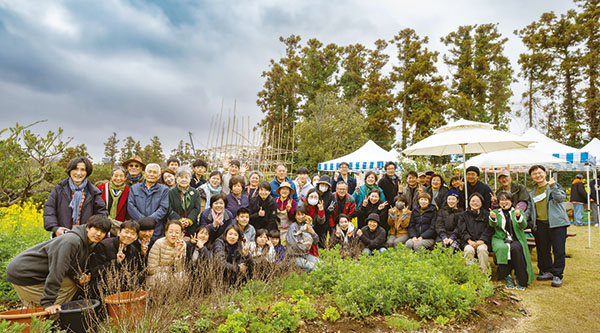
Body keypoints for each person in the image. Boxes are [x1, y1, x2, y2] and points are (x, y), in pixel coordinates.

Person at [6, 215, 111, 314]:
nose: (98, 234)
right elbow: (57, 270)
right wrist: (48, 302)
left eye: (103, 232)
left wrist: (78, 278)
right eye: (96, 229)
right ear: (88, 228)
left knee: (71, 284)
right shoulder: (71, 241)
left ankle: (43, 307)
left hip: (39, 273)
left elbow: (70, 266)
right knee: (47, 309)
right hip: (23, 272)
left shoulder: (89, 244)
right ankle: (42, 312)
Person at [527, 165, 570, 287]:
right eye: (534, 174)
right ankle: (547, 271)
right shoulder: (532, 192)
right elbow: (530, 209)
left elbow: (561, 198)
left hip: (557, 224)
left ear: (545, 173)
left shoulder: (554, 186)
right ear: (531, 177)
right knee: (542, 249)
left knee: (558, 250)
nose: (538, 175)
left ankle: (557, 275)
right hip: (540, 224)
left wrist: (553, 187)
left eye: (540, 173)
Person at [44, 157, 107, 237]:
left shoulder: (93, 192)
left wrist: (92, 230)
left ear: (87, 172)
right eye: (75, 169)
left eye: (82, 170)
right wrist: (55, 228)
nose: (78, 173)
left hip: (84, 237)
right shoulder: (59, 189)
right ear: (70, 170)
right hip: (62, 236)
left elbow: (101, 214)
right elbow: (49, 208)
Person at [489, 191, 534, 290]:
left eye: (506, 200)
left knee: (516, 249)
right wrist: (493, 218)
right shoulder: (496, 212)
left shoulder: (517, 211)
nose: (504, 202)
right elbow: (493, 225)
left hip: (516, 238)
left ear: (511, 201)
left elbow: (523, 225)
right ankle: (507, 276)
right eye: (501, 200)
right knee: (502, 248)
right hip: (499, 238)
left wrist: (518, 216)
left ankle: (520, 278)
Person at [89, 220, 143, 293]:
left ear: (136, 237)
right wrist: (115, 262)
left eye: (132, 234)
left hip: (123, 288)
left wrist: (142, 254)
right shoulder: (104, 245)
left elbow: (137, 272)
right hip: (103, 286)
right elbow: (94, 271)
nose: (128, 236)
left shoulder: (133, 250)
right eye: (126, 232)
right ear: (118, 232)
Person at [128, 163, 169, 244]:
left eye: (154, 172)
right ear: (144, 173)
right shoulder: (134, 188)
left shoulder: (164, 190)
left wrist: (150, 221)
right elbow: (131, 206)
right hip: (137, 227)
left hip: (156, 229)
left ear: (159, 175)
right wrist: (142, 221)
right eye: (149, 172)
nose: (151, 174)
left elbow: (164, 208)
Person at [459, 193, 493, 274]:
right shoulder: (464, 215)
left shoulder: (486, 214)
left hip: (482, 242)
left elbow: (489, 229)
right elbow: (462, 230)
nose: (475, 203)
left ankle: (483, 274)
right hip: (468, 242)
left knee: (482, 249)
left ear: (481, 203)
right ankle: (471, 274)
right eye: (473, 201)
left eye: (478, 201)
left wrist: (482, 240)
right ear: (469, 202)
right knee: (468, 250)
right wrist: (469, 240)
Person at [147, 220, 187, 285]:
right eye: (170, 232)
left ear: (181, 234)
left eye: (177, 232)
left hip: (172, 275)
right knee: (163, 277)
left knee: (181, 276)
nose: (173, 235)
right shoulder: (159, 243)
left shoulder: (183, 245)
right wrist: (170, 269)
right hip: (157, 276)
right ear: (166, 233)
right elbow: (151, 269)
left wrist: (178, 252)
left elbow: (180, 269)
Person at [168, 166, 202, 237]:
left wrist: (189, 220)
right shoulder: (170, 192)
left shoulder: (196, 192)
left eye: (186, 177)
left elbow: (197, 208)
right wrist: (179, 220)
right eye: (181, 177)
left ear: (190, 179)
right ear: (176, 178)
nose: (184, 180)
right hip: (175, 225)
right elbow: (169, 208)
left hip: (191, 226)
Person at [287, 205, 320, 272]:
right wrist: (306, 247)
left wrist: (313, 233)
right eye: (298, 215)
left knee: (321, 264)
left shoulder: (307, 225)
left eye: (302, 214)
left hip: (305, 255)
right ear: (295, 216)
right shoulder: (293, 227)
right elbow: (293, 244)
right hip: (294, 256)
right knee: (313, 267)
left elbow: (316, 241)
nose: (300, 217)